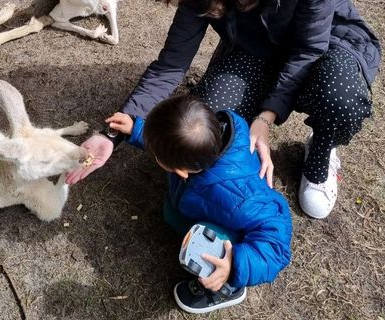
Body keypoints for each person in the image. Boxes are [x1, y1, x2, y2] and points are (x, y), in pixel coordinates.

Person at [66, 0, 381, 222]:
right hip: (253, 52)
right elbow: (171, 64)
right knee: (205, 129)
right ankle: (242, 166)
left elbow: (308, 48)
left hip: (325, 46)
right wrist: (111, 136)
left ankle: (321, 153)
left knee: (341, 99)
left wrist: (265, 118)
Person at [106, 94, 292, 314]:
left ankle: (228, 287)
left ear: (182, 172)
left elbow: (276, 246)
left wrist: (235, 262)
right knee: (171, 213)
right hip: (204, 201)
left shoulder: (243, 199)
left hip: (238, 240)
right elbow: (170, 137)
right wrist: (137, 129)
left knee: (213, 246)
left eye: (157, 155)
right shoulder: (207, 137)